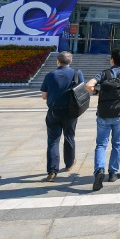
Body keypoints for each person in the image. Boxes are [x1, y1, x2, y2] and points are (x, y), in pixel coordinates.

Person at [84, 49, 120, 191]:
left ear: (112, 60)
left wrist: (96, 92)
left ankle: (99, 170)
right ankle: (113, 173)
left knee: (101, 144)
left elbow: (88, 85)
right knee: (117, 144)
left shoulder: (104, 73)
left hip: (103, 114)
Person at [39, 51, 84, 182]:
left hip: (53, 112)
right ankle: (69, 164)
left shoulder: (50, 75)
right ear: (70, 61)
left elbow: (44, 96)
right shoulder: (77, 73)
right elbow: (82, 91)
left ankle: (52, 171)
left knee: (53, 141)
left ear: (58, 61)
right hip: (70, 112)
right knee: (69, 137)